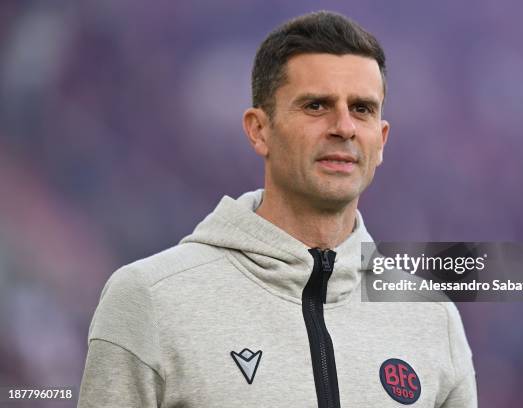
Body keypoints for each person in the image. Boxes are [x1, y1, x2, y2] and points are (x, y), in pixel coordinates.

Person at [78, 11, 477, 407]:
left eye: (362, 109)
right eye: (316, 106)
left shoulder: (432, 318)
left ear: (382, 139)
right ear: (259, 129)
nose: (344, 127)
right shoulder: (150, 298)